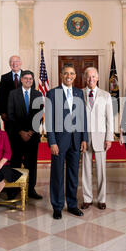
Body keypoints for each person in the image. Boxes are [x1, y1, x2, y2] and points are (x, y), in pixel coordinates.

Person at [45, 63, 88, 220]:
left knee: (72, 174)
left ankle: (72, 204)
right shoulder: (52, 93)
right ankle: (57, 206)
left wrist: (84, 138)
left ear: (75, 76)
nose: (69, 76)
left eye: (71, 73)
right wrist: (52, 142)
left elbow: (83, 118)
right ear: (61, 75)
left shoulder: (78, 93)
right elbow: (49, 120)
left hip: (76, 141)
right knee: (57, 174)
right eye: (66, 73)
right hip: (59, 141)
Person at [81, 67, 114, 210]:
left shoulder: (106, 95)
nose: (91, 79)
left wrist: (109, 138)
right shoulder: (79, 94)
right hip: (84, 138)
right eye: (88, 76)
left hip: (101, 138)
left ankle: (102, 199)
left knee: (101, 170)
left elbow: (109, 119)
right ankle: (87, 198)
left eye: (93, 76)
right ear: (85, 78)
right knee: (85, 170)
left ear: (98, 78)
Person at [7, 70, 44, 200]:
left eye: (30, 79)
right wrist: (21, 131)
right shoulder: (13, 94)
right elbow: (10, 115)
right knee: (15, 162)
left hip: (32, 136)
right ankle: (13, 189)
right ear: (21, 80)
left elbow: (39, 115)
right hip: (16, 135)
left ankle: (31, 189)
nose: (28, 80)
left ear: (33, 81)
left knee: (31, 163)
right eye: (26, 78)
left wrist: (30, 132)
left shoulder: (38, 94)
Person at [0, 56, 34, 141]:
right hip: (9, 115)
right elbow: (1, 96)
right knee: (12, 139)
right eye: (12, 62)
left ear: (21, 63)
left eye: (17, 61)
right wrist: (2, 112)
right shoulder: (4, 77)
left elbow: (32, 95)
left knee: (26, 139)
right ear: (9, 64)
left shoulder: (29, 76)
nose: (15, 64)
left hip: (26, 114)